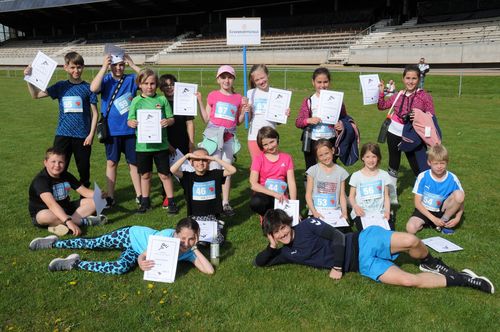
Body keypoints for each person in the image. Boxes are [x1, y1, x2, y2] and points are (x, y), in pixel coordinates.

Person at [254, 209, 494, 294]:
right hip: (362, 266)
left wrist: (337, 267)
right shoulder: (285, 251)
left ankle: (430, 261)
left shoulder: (307, 225)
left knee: (411, 240)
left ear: (288, 223)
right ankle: (464, 279)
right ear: (272, 235)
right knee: (409, 281)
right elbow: (259, 263)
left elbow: (338, 237)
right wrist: (271, 245)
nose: (283, 234)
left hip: (364, 241)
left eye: (284, 228)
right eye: (277, 233)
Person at [29, 218, 214, 275]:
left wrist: (195, 249)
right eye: (183, 238)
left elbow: (209, 271)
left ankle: (74, 263)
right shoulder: (166, 236)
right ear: (175, 233)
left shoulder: (189, 250)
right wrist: (141, 262)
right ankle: (55, 242)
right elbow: (145, 253)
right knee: (94, 243)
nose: (186, 243)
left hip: (134, 250)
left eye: (191, 239)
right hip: (131, 235)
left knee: (120, 269)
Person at [24, 52, 98, 188]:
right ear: (66, 67)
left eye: (79, 67)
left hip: (82, 136)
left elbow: (95, 113)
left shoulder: (88, 88)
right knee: (57, 169)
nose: (76, 70)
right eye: (73, 67)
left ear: (83, 67)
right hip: (63, 134)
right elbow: (35, 95)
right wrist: (29, 78)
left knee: (84, 169)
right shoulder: (60, 86)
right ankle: (58, 198)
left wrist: (91, 134)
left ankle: (85, 200)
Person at [377, 64, 436, 204]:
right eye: (408, 78)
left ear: (419, 79)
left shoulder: (425, 96)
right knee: (394, 162)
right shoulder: (398, 95)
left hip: (413, 135)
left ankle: (426, 195)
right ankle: (392, 195)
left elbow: (431, 116)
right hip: (394, 132)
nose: (410, 81)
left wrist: (418, 115)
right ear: (403, 79)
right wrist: (381, 92)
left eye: (414, 78)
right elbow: (382, 106)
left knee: (418, 165)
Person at [90, 53, 142, 208]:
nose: (118, 68)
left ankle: (140, 195)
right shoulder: (105, 79)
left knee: (133, 163)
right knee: (112, 162)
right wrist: (104, 67)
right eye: (115, 65)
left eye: (121, 64)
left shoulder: (131, 79)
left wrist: (132, 64)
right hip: (112, 131)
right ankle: (111, 196)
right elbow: (93, 88)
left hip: (130, 130)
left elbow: (149, 78)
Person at [199, 65, 249, 217]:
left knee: (227, 171)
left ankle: (225, 202)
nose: (226, 80)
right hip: (213, 138)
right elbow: (206, 119)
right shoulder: (212, 95)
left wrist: (245, 111)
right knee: (214, 169)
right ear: (218, 79)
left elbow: (238, 122)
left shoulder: (238, 98)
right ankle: (213, 201)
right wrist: (199, 102)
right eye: (223, 77)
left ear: (233, 79)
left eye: (229, 77)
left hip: (228, 138)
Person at [295, 67, 359, 180]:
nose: (322, 85)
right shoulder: (309, 101)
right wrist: (309, 120)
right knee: (311, 171)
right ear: (313, 82)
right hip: (312, 141)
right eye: (319, 82)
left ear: (329, 82)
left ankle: (331, 194)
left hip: (331, 140)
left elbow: (344, 118)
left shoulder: (337, 100)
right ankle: (310, 196)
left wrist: (341, 125)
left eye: (325, 82)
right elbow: (298, 122)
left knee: (330, 170)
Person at [127, 68, 176, 214]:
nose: (149, 86)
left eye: (152, 83)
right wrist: (132, 123)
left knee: (164, 175)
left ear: (156, 84)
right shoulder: (136, 101)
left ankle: (171, 201)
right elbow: (130, 119)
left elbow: (172, 118)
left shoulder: (161, 100)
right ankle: (145, 202)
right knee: (145, 175)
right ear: (139, 85)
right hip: (143, 147)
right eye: (146, 83)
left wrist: (168, 121)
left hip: (160, 145)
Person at [28, 147, 107, 237]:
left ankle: (56, 225)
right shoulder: (41, 180)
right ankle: (83, 221)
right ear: (45, 162)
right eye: (53, 162)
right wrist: (69, 222)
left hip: (66, 207)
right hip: (46, 211)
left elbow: (84, 191)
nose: (57, 165)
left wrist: (98, 194)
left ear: (65, 163)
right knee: (43, 216)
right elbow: (52, 205)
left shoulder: (65, 175)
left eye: (60, 162)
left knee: (96, 201)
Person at [158, 74, 203, 211]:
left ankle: (187, 192)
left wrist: (191, 142)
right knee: (165, 170)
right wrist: (167, 145)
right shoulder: (159, 102)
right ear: (161, 88)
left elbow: (190, 123)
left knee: (185, 169)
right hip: (165, 141)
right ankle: (166, 195)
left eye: (171, 84)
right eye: (165, 85)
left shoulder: (184, 100)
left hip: (182, 140)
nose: (169, 87)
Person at [170, 148, 236, 238]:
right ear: (192, 163)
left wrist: (215, 159)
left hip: (211, 215)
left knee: (215, 240)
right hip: (194, 216)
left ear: (208, 162)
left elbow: (233, 170)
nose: (201, 163)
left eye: (204, 160)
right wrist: (187, 156)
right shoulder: (188, 177)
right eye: (197, 160)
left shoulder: (215, 174)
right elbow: (172, 170)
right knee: (192, 237)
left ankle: (217, 225)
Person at [406, 144, 464, 235]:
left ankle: (443, 222)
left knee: (460, 194)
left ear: (447, 162)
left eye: (442, 163)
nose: (439, 166)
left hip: (441, 211)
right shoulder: (423, 176)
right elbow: (417, 203)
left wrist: (458, 218)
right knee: (410, 228)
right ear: (429, 163)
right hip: (425, 210)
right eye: (436, 163)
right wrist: (433, 219)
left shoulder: (452, 178)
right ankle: (429, 222)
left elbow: (461, 200)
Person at [249, 126, 297, 218]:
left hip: (282, 197)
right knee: (256, 202)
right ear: (261, 146)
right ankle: (266, 216)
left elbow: (291, 182)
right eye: (265, 145)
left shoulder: (287, 158)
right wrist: (275, 194)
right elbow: (253, 184)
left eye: (272, 142)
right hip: (265, 195)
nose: (270, 146)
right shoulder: (258, 159)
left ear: (277, 139)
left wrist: (293, 205)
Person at [246, 64, 290, 161]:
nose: (261, 81)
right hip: (254, 137)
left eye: (262, 78)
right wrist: (247, 111)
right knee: (257, 167)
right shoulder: (250, 93)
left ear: (267, 75)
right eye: (257, 80)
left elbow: (278, 121)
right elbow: (248, 119)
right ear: (253, 81)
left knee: (271, 165)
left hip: (271, 137)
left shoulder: (277, 94)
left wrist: (284, 115)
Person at [348, 143, 393, 231]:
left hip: (379, 212)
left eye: (374, 156)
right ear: (362, 158)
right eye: (367, 157)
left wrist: (387, 211)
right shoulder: (356, 176)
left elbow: (387, 196)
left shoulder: (384, 175)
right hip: (362, 213)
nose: (371, 160)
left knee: (387, 235)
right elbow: (351, 196)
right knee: (367, 234)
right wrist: (355, 206)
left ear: (378, 157)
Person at [305, 139, 348, 224]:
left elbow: (342, 195)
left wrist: (345, 213)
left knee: (340, 235)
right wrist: (314, 212)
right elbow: (308, 195)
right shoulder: (313, 170)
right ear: (317, 157)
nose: (325, 157)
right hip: (317, 211)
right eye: (321, 155)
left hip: (335, 212)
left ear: (332, 150)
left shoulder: (341, 172)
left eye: (327, 153)